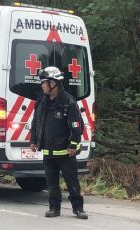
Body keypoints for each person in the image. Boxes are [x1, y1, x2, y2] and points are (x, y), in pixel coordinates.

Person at [30, 66, 88, 219]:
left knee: (72, 182)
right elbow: (36, 122)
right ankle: (54, 208)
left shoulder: (68, 101)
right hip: (48, 151)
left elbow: (77, 126)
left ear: (53, 83)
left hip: (65, 152)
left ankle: (78, 208)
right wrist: (33, 139)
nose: (42, 85)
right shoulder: (42, 101)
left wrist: (73, 145)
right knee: (51, 183)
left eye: (44, 82)